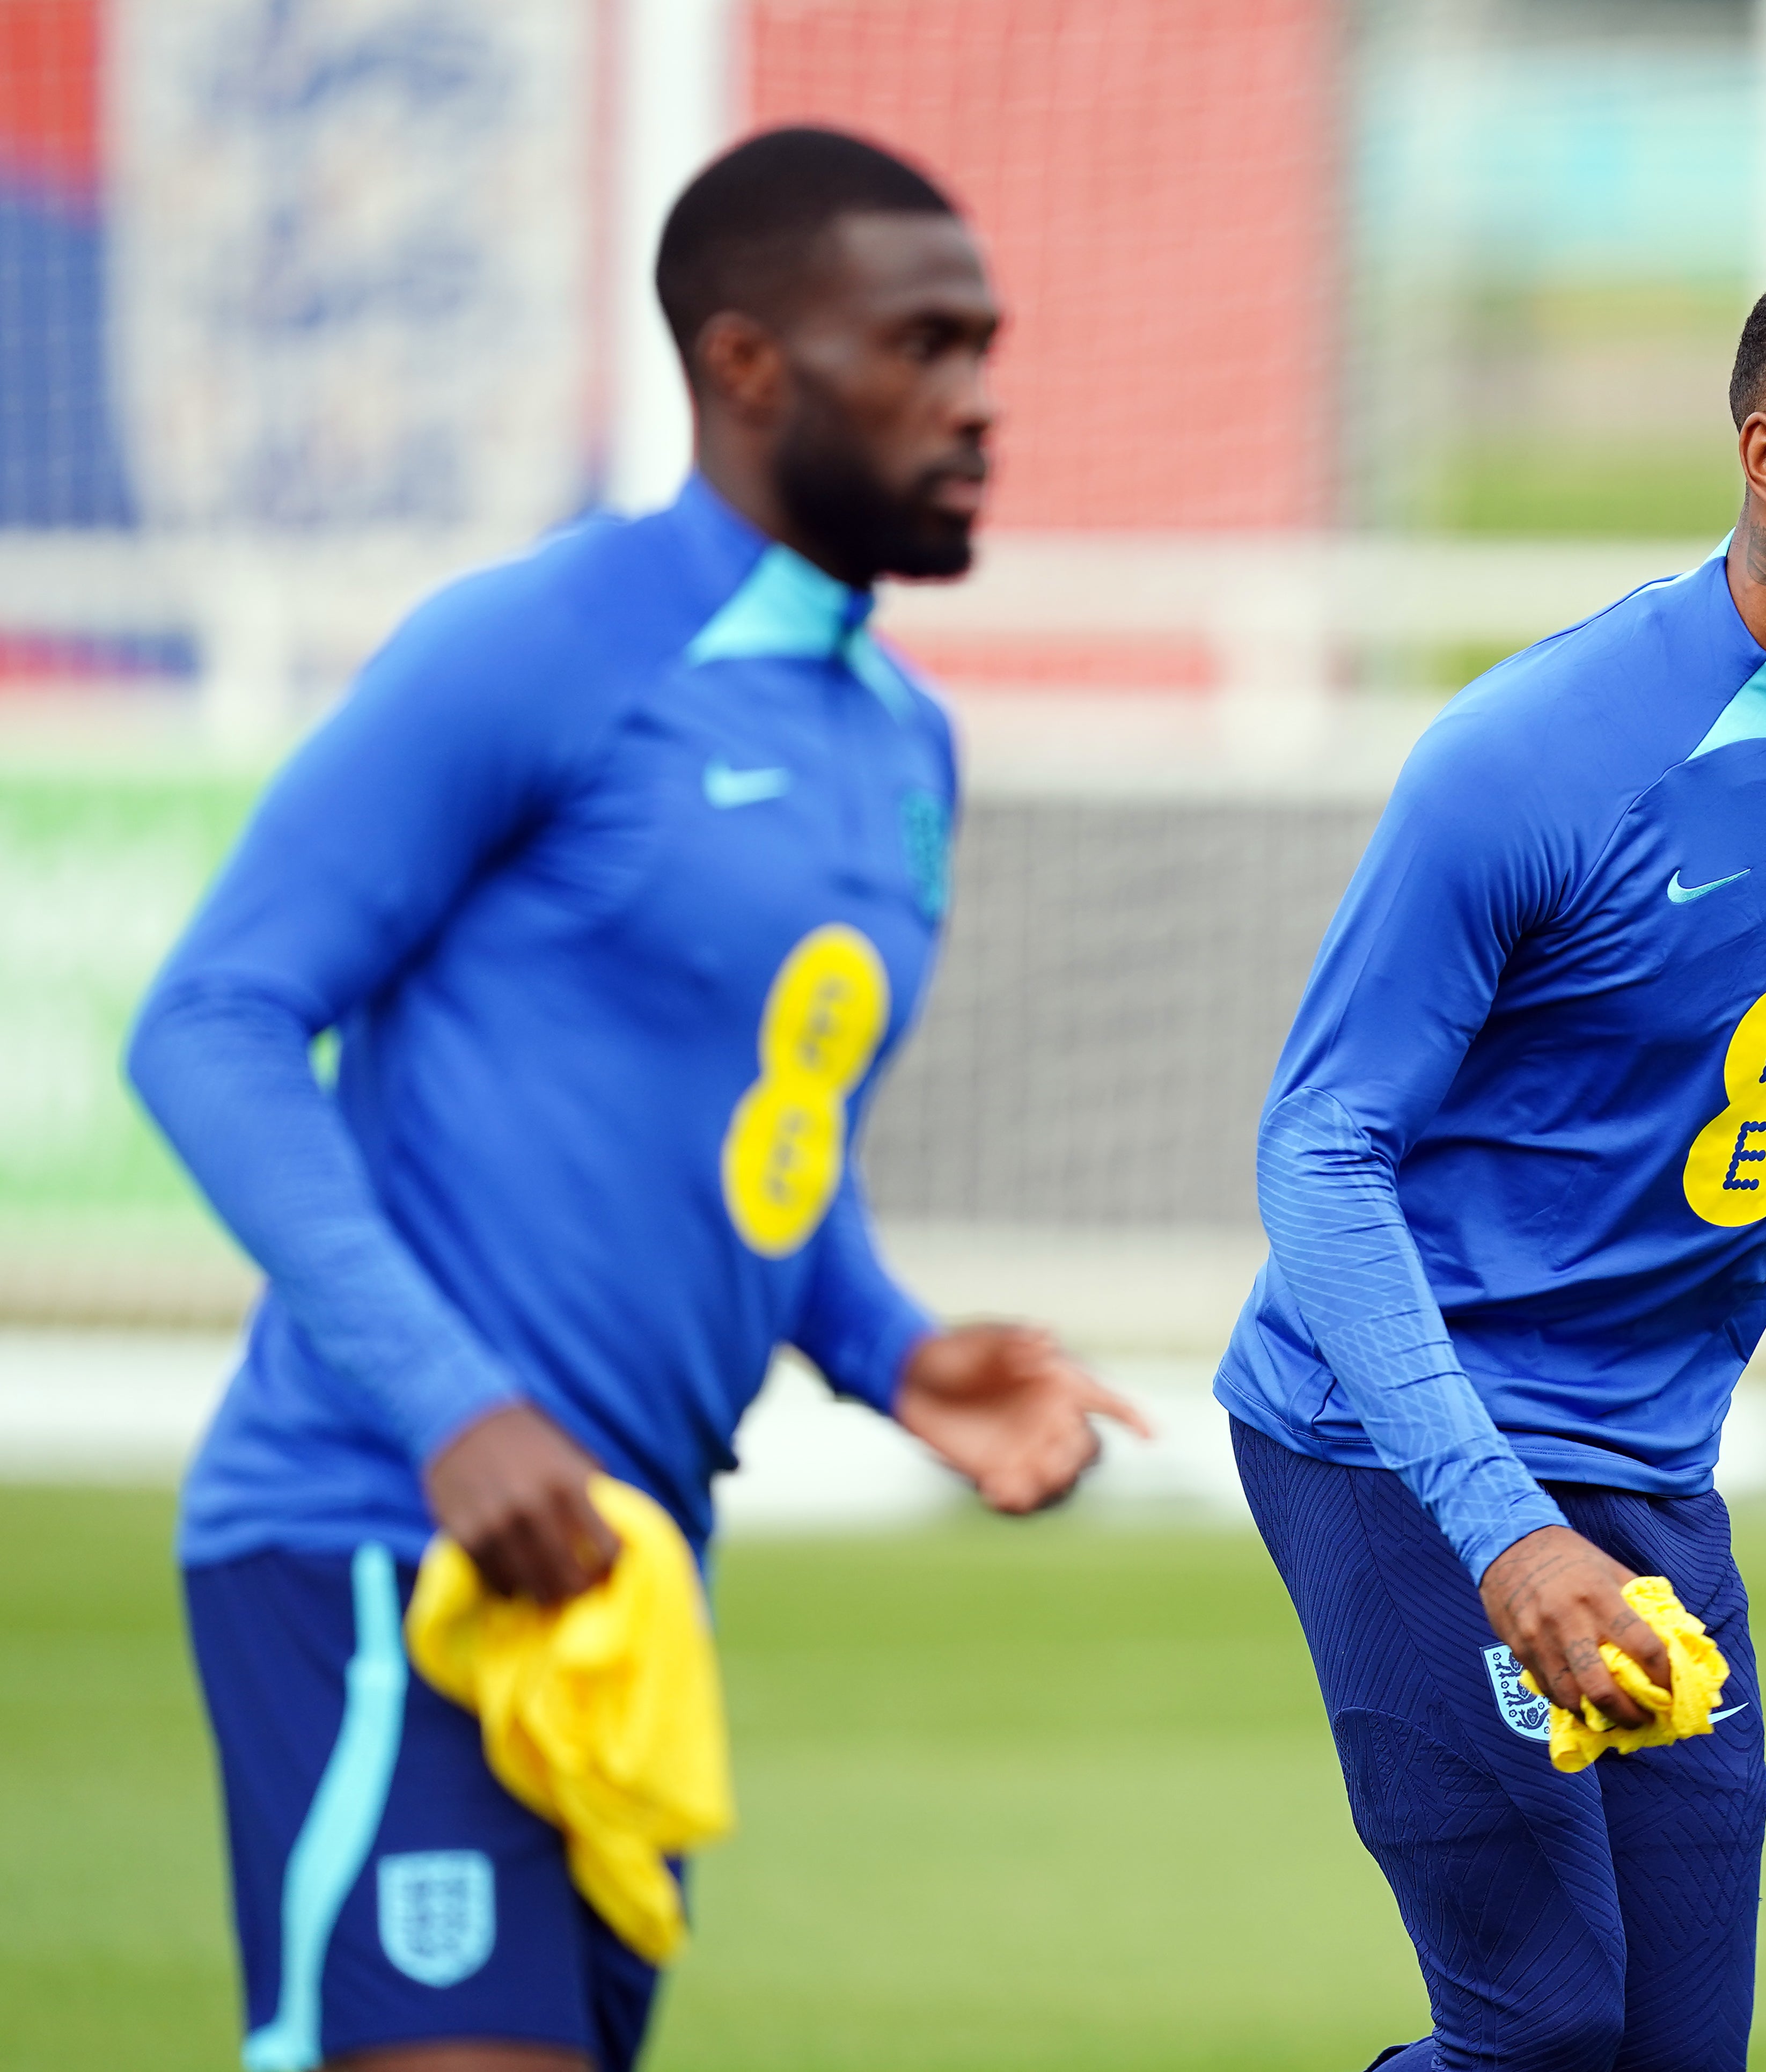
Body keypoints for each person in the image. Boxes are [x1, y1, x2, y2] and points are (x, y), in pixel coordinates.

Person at [128, 128, 1145, 2072]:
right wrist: (456, 1413)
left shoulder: (900, 741)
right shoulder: (538, 644)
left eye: (988, 347)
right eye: (925, 348)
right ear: (750, 364)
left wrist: (885, 1348)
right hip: (377, 1537)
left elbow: (760, 1134)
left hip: (619, 1583)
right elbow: (216, 1023)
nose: (981, 402)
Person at [1214, 251, 1766, 2070]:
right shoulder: (1534, 755)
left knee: (1678, 2055)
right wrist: (1502, 1528)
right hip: (1392, 1446)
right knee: (1543, 2038)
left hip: (1653, 1469)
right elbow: (1321, 1151)